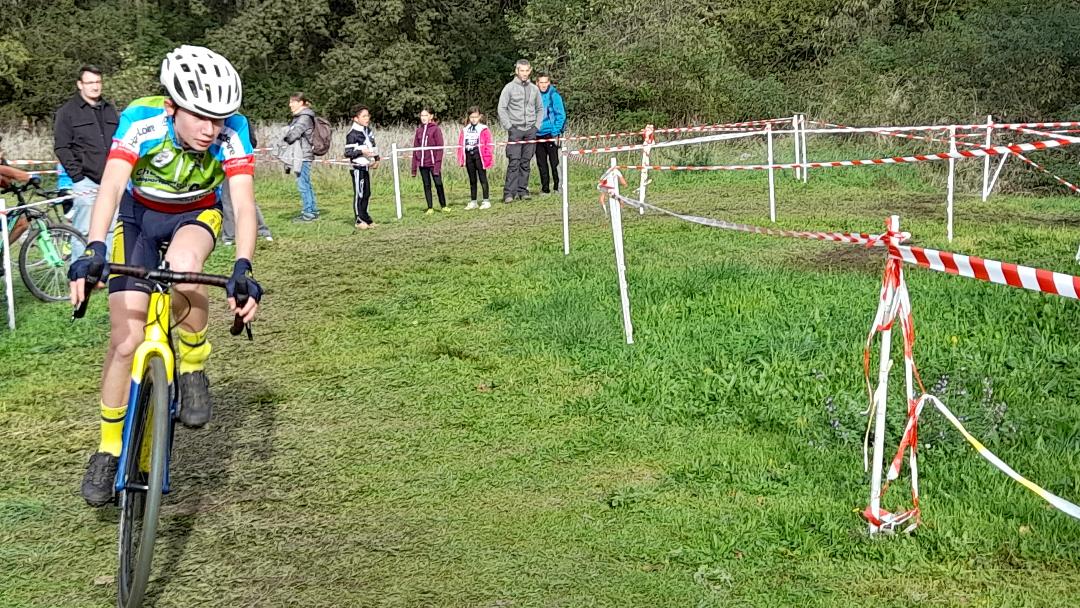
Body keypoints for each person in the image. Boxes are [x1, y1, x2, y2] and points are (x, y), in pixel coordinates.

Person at [67, 45, 263, 507]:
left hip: (196, 215)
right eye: (201, 117)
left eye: (220, 118)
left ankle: (193, 365)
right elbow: (112, 186)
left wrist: (243, 266)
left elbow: (243, 200)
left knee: (185, 269)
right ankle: (109, 449)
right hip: (138, 218)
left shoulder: (234, 131)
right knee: (125, 340)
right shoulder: (141, 120)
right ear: (172, 106)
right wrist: (94, 248)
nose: (211, 130)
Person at [53, 65, 119, 258]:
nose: (95, 87)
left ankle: (103, 272)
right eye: (90, 82)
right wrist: (78, 177)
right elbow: (62, 147)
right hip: (85, 182)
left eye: (98, 82)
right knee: (82, 230)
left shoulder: (109, 110)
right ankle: (79, 272)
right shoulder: (67, 112)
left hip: (110, 179)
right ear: (80, 84)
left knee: (111, 227)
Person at [497, 59, 543, 203]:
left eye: (526, 70)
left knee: (525, 162)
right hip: (515, 130)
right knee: (514, 162)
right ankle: (509, 193)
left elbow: (540, 109)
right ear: (517, 71)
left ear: (530, 71)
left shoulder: (534, 89)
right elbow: (501, 108)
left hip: (530, 130)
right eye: (521, 70)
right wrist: (509, 127)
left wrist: (536, 126)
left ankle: (523, 191)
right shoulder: (509, 88)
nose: (524, 73)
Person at [221, 127, 272, 244]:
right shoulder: (240, 121)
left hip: (236, 164)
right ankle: (262, 231)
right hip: (236, 163)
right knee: (242, 200)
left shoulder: (235, 122)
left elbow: (252, 142)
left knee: (231, 199)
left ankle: (230, 236)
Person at [282, 92, 319, 222]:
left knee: (303, 184)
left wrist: (282, 139)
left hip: (302, 155)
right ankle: (313, 211)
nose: (290, 104)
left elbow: (294, 134)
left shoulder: (304, 117)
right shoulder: (300, 116)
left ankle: (308, 213)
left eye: (292, 102)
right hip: (301, 154)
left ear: (301, 103)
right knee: (306, 183)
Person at [343, 105, 380, 229]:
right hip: (357, 167)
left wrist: (376, 159)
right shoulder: (352, 134)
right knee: (359, 193)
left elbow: (373, 146)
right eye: (363, 116)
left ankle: (366, 218)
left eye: (368, 115)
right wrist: (361, 152)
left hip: (366, 167)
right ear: (356, 118)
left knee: (367, 193)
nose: (367, 118)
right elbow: (347, 153)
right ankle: (358, 220)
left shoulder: (368, 131)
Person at [410, 109, 448, 214]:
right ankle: (430, 207)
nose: (423, 117)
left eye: (425, 115)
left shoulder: (436, 129)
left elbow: (440, 148)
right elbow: (415, 149)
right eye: (421, 115)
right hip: (423, 164)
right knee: (427, 185)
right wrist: (414, 168)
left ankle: (443, 205)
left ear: (430, 116)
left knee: (438, 183)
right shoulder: (418, 131)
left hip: (433, 163)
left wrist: (437, 165)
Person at [534, 74, 566, 196]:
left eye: (545, 82)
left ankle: (558, 187)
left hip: (551, 133)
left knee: (555, 162)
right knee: (541, 163)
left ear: (549, 83)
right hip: (537, 134)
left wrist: (555, 131)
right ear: (537, 83)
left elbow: (561, 115)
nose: (543, 85)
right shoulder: (533, 96)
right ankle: (545, 188)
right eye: (541, 82)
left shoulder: (554, 96)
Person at [456, 107, 494, 210]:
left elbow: (488, 144)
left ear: (479, 117)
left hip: (479, 156)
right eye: (471, 117)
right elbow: (461, 144)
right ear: (469, 117)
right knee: (472, 180)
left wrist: (487, 157)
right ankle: (473, 201)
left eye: (475, 117)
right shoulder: (465, 129)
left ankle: (486, 200)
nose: (473, 119)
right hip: (469, 155)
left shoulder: (484, 129)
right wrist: (461, 158)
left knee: (483, 178)